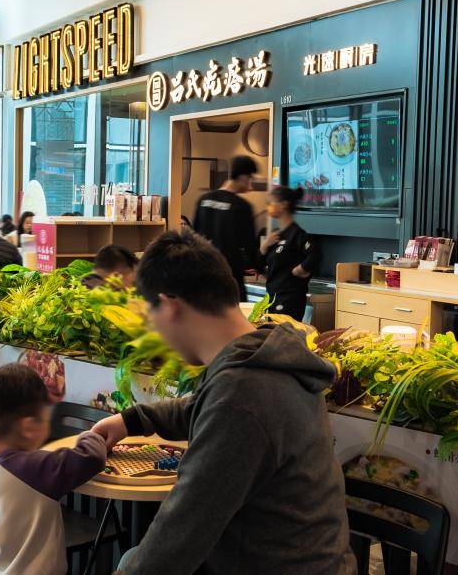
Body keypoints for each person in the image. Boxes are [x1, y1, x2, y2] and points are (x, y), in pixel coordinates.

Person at [93, 230, 355, 574]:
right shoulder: (265, 355)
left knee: (132, 561)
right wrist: (130, 420)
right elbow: (201, 405)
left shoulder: (241, 395)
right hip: (318, 562)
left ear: (169, 306)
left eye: (150, 317)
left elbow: (180, 535)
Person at [0, 363, 107, 574]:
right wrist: (92, 434)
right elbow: (92, 457)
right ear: (28, 427)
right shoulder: (31, 469)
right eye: (45, 418)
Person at [191, 155, 259, 301]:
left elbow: (192, 237)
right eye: (250, 178)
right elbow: (250, 247)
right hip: (229, 276)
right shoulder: (242, 206)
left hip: (203, 275)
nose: (251, 185)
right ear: (242, 177)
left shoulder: (203, 200)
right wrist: (261, 266)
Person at [260, 186, 321, 321]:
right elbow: (260, 265)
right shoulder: (276, 235)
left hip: (289, 299)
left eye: (270, 203)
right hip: (272, 297)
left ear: (283, 205)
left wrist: (301, 269)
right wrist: (264, 247)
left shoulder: (297, 235)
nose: (268, 206)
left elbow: (315, 254)